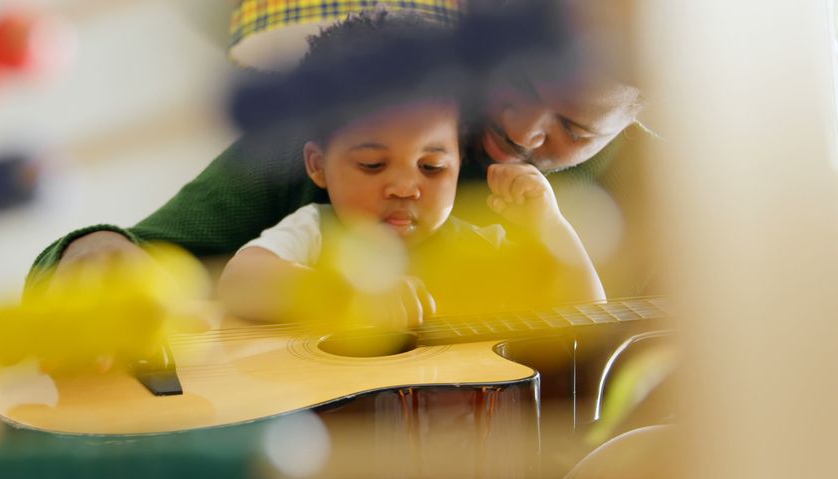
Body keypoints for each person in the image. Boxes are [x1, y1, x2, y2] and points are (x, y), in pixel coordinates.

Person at [25, 0, 651, 298]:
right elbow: (133, 255)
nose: (522, 129)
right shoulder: (371, 110)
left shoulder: (667, 200)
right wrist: (91, 252)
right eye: (516, 81)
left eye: (573, 128)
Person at [216, 89, 605, 326]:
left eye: (431, 168)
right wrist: (338, 292)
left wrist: (550, 226)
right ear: (318, 166)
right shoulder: (317, 230)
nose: (404, 188)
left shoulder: (480, 248)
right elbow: (239, 282)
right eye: (372, 165)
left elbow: (586, 318)